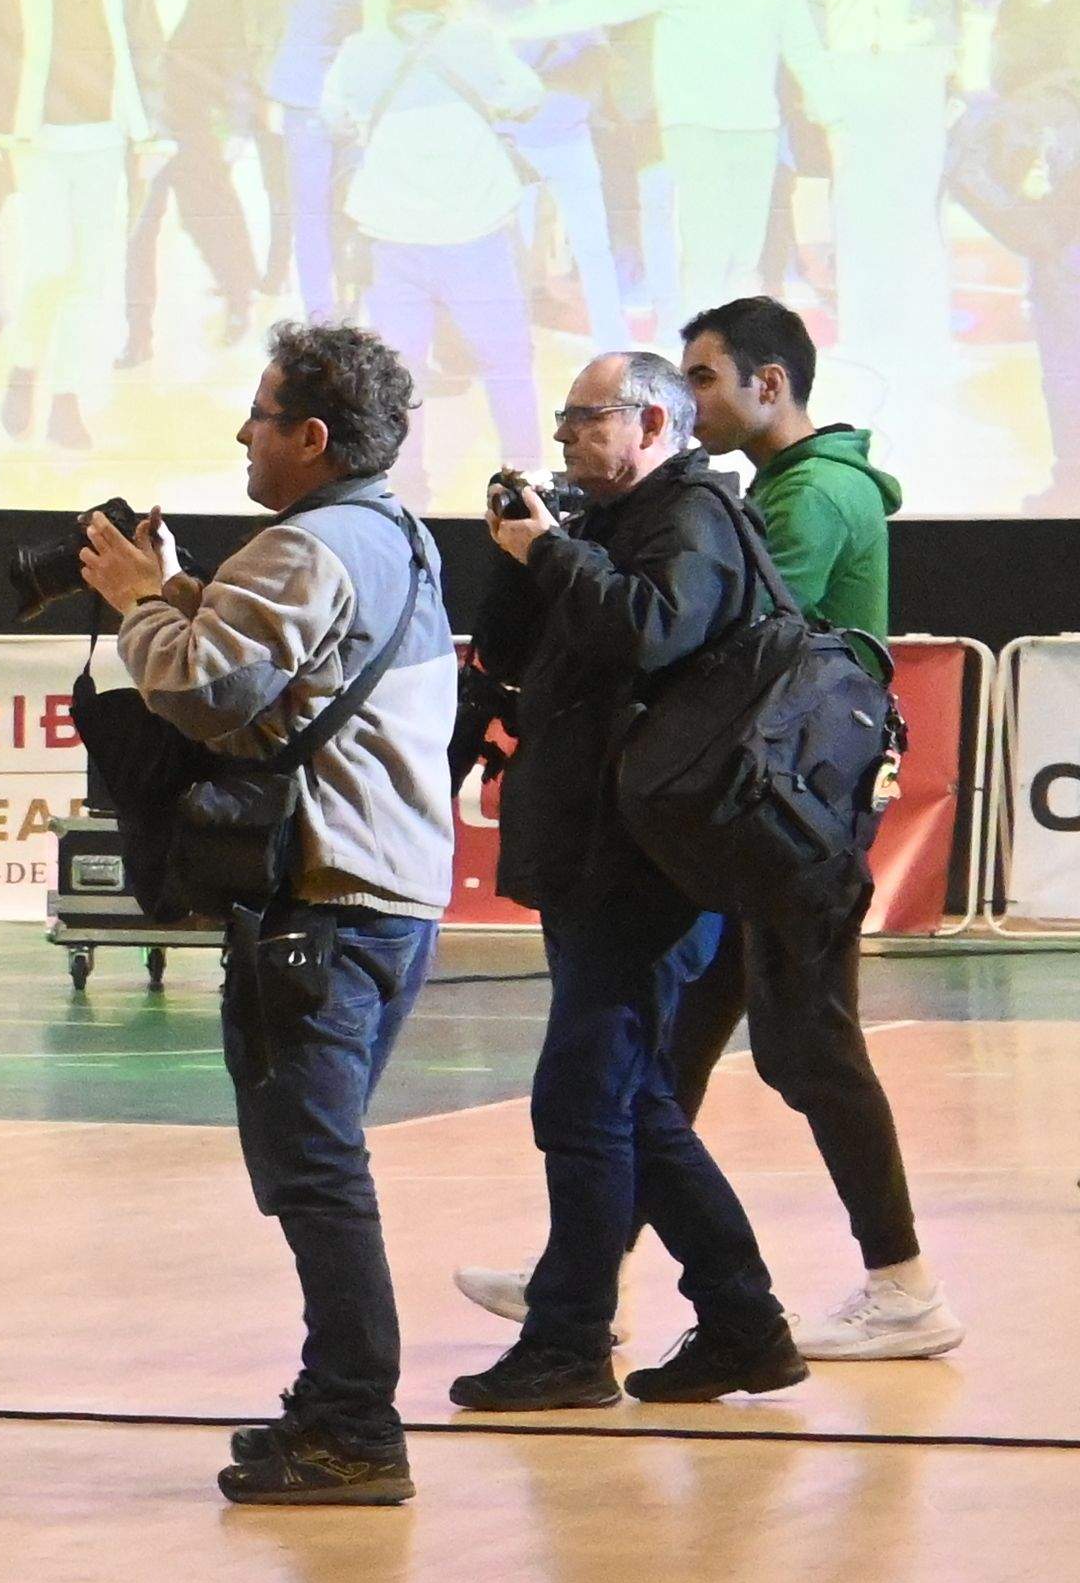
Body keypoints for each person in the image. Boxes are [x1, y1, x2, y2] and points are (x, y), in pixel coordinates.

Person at [68, 322, 459, 1503]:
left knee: (316, 1168)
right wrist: (185, 588)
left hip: (326, 902)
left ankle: (354, 1427)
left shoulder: (306, 547)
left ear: (311, 434)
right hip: (387, 895)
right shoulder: (391, 532)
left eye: (257, 412)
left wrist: (143, 608)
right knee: (317, 1159)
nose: (241, 431)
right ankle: (332, 1398)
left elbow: (205, 687)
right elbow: (296, 663)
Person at [445, 350, 811, 1415]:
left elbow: (649, 629)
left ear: (650, 420)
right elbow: (514, 656)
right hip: (606, 851)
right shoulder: (608, 522)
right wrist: (520, 553)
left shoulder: (691, 515)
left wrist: (555, 551)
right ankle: (745, 1324)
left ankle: (568, 1343)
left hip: (654, 864)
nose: (563, 437)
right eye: (559, 421)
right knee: (633, 1100)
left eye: (581, 418)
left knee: (583, 1099)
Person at [637, 300, 949, 1358]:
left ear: (771, 383)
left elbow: (741, 647)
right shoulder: (792, 486)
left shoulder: (810, 498)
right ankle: (582, 1270)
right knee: (681, 1042)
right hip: (780, 805)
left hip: (795, 811)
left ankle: (904, 1286)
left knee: (809, 1046)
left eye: (706, 378)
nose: (690, 400)